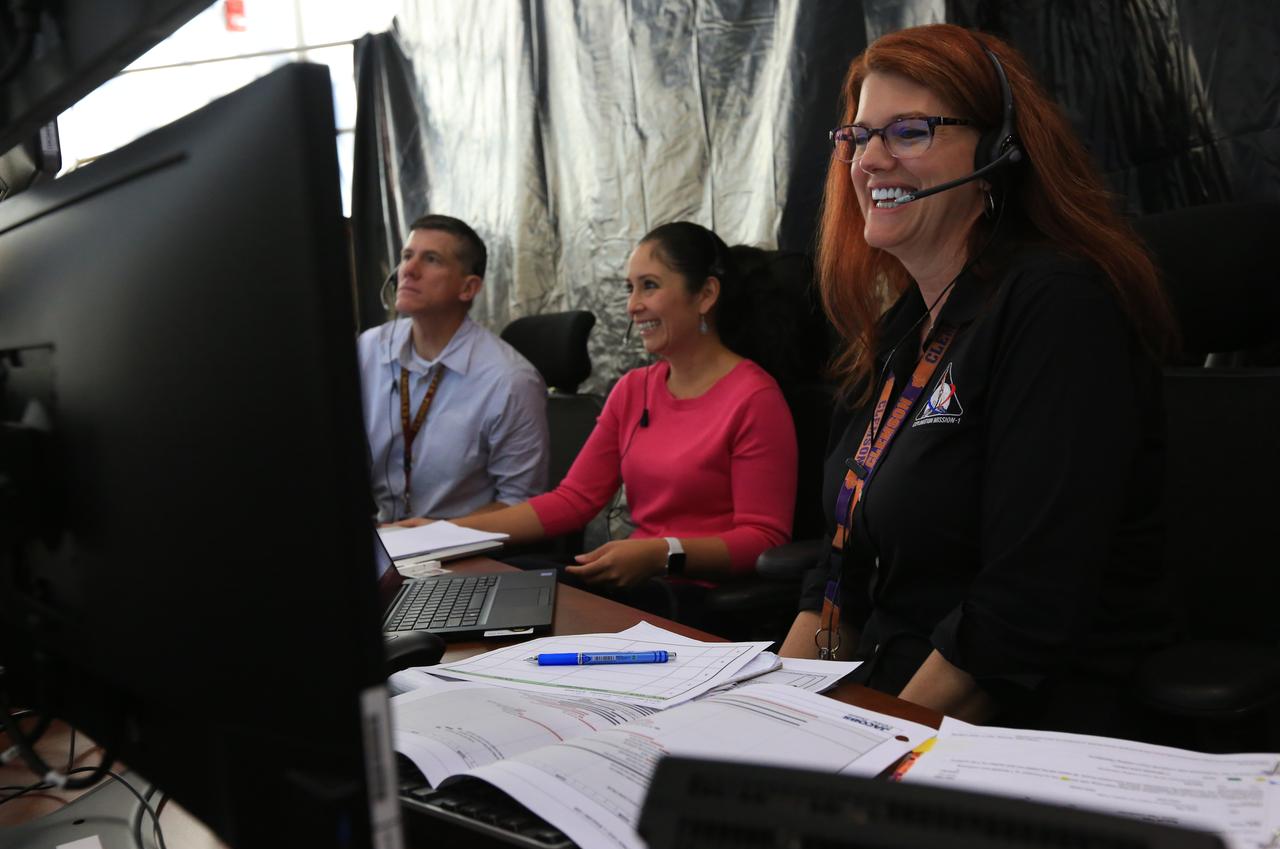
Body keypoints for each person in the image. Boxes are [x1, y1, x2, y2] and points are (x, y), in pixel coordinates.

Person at [778, 24, 1176, 738]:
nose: (871, 160)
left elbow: (1020, 614)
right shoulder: (906, 327)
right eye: (859, 137)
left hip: (1018, 729)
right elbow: (833, 572)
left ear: (997, 152)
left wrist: (842, 765)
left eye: (908, 131)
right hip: (893, 701)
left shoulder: (1057, 307)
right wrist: (773, 726)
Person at [428, 222, 798, 595]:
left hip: (696, 595)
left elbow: (763, 538)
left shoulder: (755, 397)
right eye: (630, 288)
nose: (633, 305)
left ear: (705, 295)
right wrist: (446, 532)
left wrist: (663, 553)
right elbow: (574, 500)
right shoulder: (634, 388)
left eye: (649, 286)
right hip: (643, 583)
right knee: (503, 579)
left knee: (529, 592)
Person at [357, 214, 549, 523]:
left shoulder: (509, 380)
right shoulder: (369, 350)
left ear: (468, 288)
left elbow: (521, 504)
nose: (409, 270)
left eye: (431, 259)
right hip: (383, 541)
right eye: (407, 256)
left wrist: (437, 535)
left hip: (464, 553)